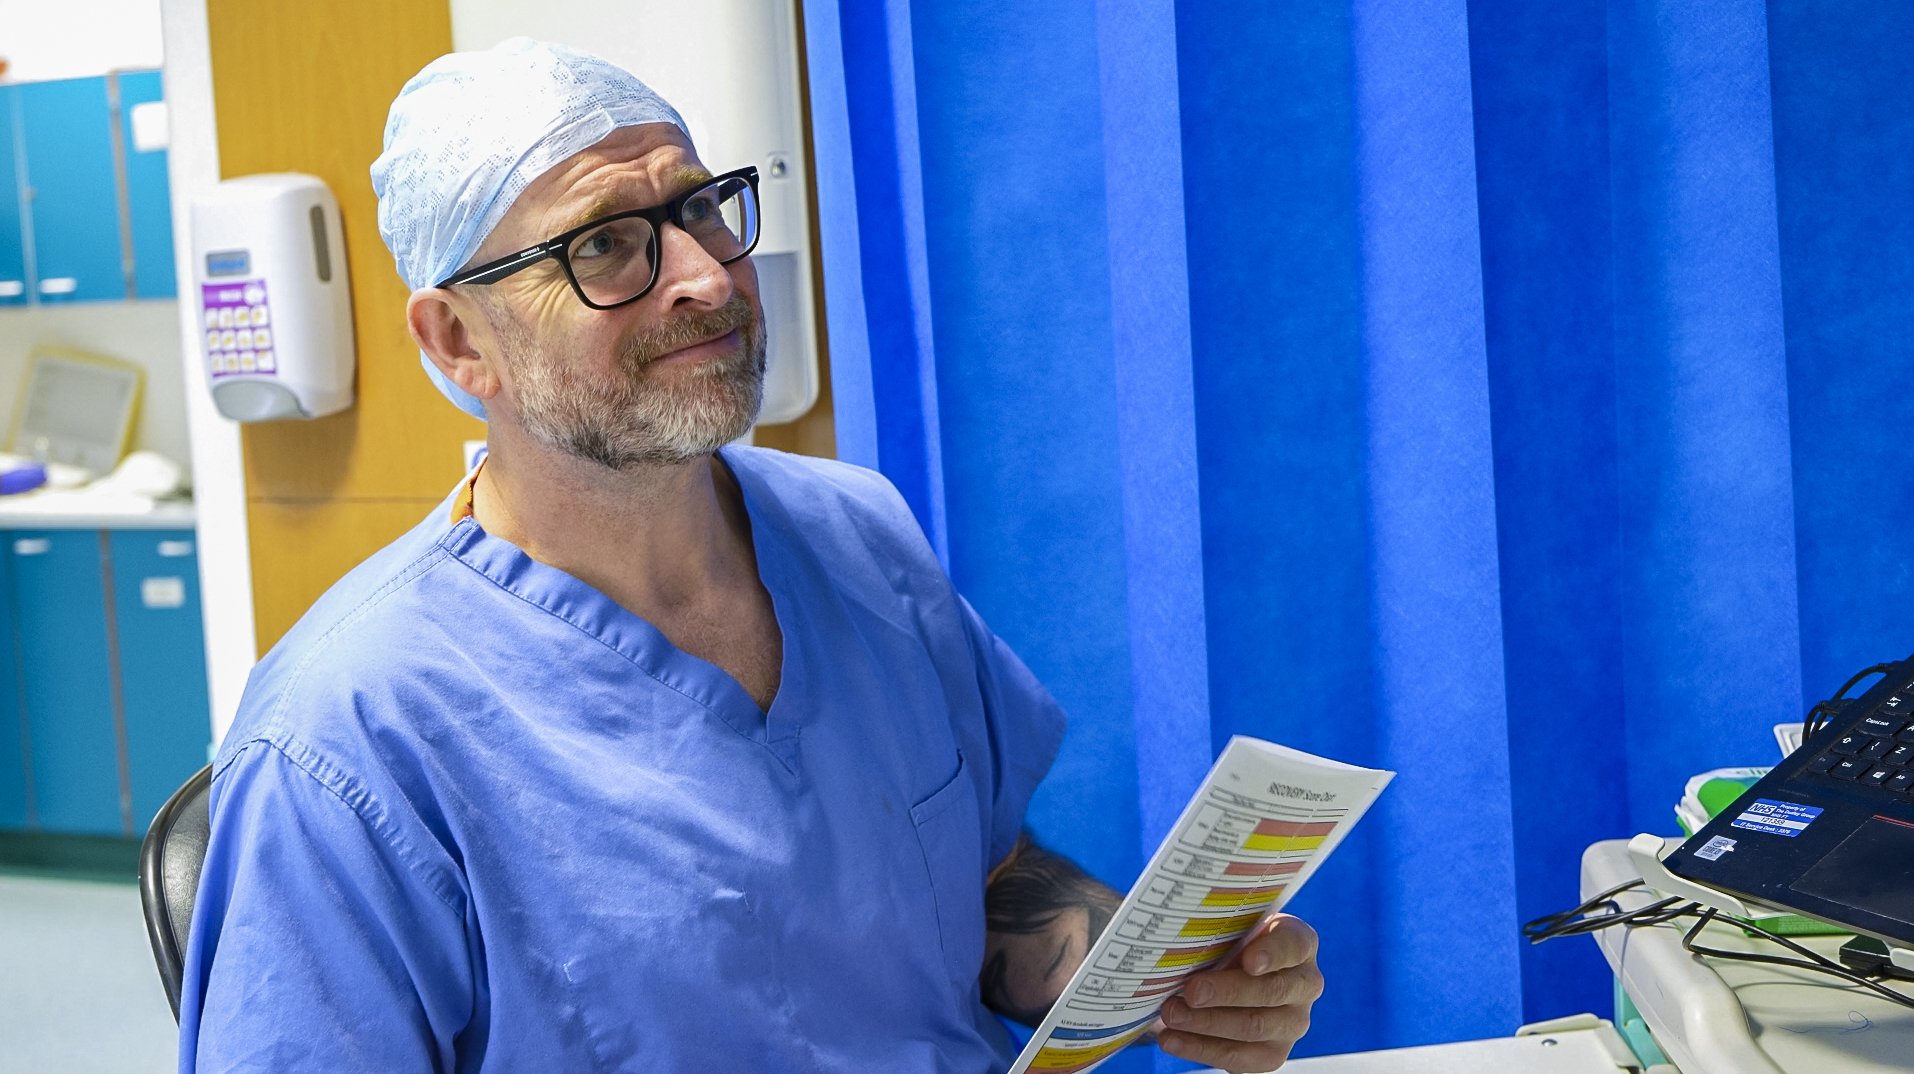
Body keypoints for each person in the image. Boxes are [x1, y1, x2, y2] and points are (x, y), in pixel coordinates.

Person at [177, 39, 1322, 1074]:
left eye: (703, 209)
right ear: (460, 340)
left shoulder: (859, 538)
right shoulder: (347, 741)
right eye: (607, 247)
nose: (708, 277)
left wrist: (1149, 975)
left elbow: (976, 885)